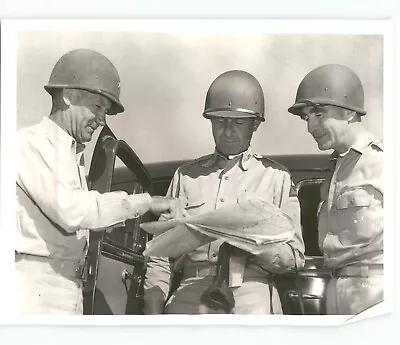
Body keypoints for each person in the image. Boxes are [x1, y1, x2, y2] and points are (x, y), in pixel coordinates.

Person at [16, 49, 182, 315]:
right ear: (69, 96)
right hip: (35, 291)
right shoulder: (29, 144)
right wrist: (147, 201)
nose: (102, 120)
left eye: (105, 110)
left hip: (67, 288)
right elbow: (72, 210)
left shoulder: (72, 157)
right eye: (97, 107)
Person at [144, 70, 305, 314]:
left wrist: (255, 244)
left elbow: (294, 257)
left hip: (251, 295)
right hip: (190, 293)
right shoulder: (186, 177)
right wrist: (154, 310)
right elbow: (159, 254)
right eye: (220, 121)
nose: (228, 131)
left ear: (255, 124)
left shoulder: (276, 178)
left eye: (239, 123)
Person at [288, 64, 383, 315]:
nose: (310, 127)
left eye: (318, 114)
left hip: (379, 291)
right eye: (307, 117)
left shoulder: (384, 162)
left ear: (350, 112)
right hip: (335, 292)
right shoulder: (335, 170)